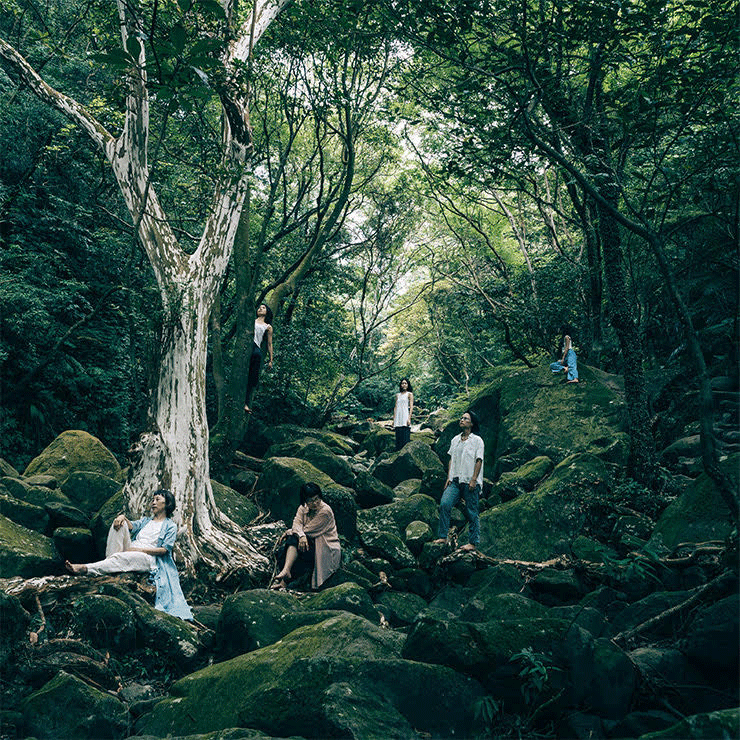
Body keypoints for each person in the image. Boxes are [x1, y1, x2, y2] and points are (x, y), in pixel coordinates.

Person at [65, 489, 193, 621]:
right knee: (120, 525)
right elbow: (131, 526)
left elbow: (164, 550)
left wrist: (140, 550)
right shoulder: (146, 521)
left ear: (167, 504)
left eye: (157, 500)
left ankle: (86, 568)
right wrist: (121, 517)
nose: (153, 503)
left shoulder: (170, 526)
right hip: (132, 549)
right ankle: (110, 562)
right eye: (152, 500)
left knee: (122, 557)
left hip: (149, 557)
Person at [271, 483, 341, 591]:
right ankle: (285, 576)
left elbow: (309, 530)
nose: (315, 503)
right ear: (305, 501)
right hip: (311, 542)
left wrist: (297, 533)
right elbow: (296, 523)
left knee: (294, 539)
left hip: (325, 548)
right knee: (285, 550)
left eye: (317, 499)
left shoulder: (325, 511)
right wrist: (300, 534)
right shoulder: (303, 507)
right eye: (310, 501)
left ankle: (286, 573)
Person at [433, 410, 484, 551]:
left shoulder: (477, 440)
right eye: (461, 418)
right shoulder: (455, 440)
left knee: (472, 511)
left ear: (472, 423)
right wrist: (449, 477)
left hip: (469, 481)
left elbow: (479, 460)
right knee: (445, 504)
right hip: (455, 481)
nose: (461, 420)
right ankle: (443, 536)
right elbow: (451, 460)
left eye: (465, 418)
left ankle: (473, 543)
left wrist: (474, 479)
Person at [244, 303, 274, 412]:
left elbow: (269, 344)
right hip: (247, 344)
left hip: (256, 347)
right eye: (259, 307)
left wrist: (271, 360)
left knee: (252, 376)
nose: (260, 309)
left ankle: (246, 402)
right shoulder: (251, 320)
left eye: (263, 308)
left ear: (267, 312)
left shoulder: (268, 327)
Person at [393, 377, 414, 451]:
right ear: (400, 385)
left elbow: (411, 407)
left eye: (405, 383)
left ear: (408, 385)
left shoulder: (409, 394)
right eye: (402, 383)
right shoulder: (397, 395)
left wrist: (409, 418)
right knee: (398, 436)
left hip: (405, 416)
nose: (404, 385)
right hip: (398, 417)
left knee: (405, 436)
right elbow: (395, 407)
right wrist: (394, 419)